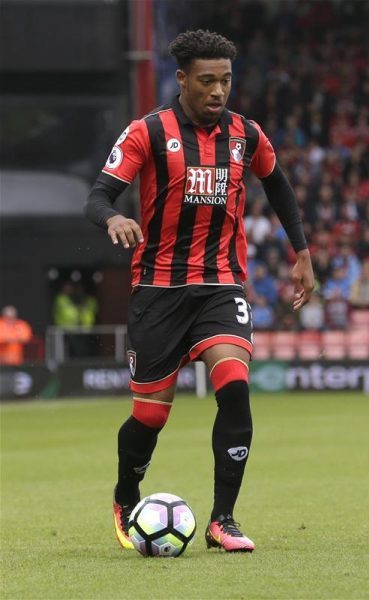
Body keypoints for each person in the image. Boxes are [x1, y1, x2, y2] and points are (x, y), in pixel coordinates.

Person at [85, 29, 314, 553]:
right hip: (158, 288)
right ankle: (125, 495)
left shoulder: (245, 133)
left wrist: (301, 252)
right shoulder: (147, 132)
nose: (218, 91)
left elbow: (277, 184)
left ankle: (222, 520)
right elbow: (97, 196)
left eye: (226, 80)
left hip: (220, 284)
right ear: (182, 78)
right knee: (151, 416)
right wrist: (113, 217)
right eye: (207, 81)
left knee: (234, 386)